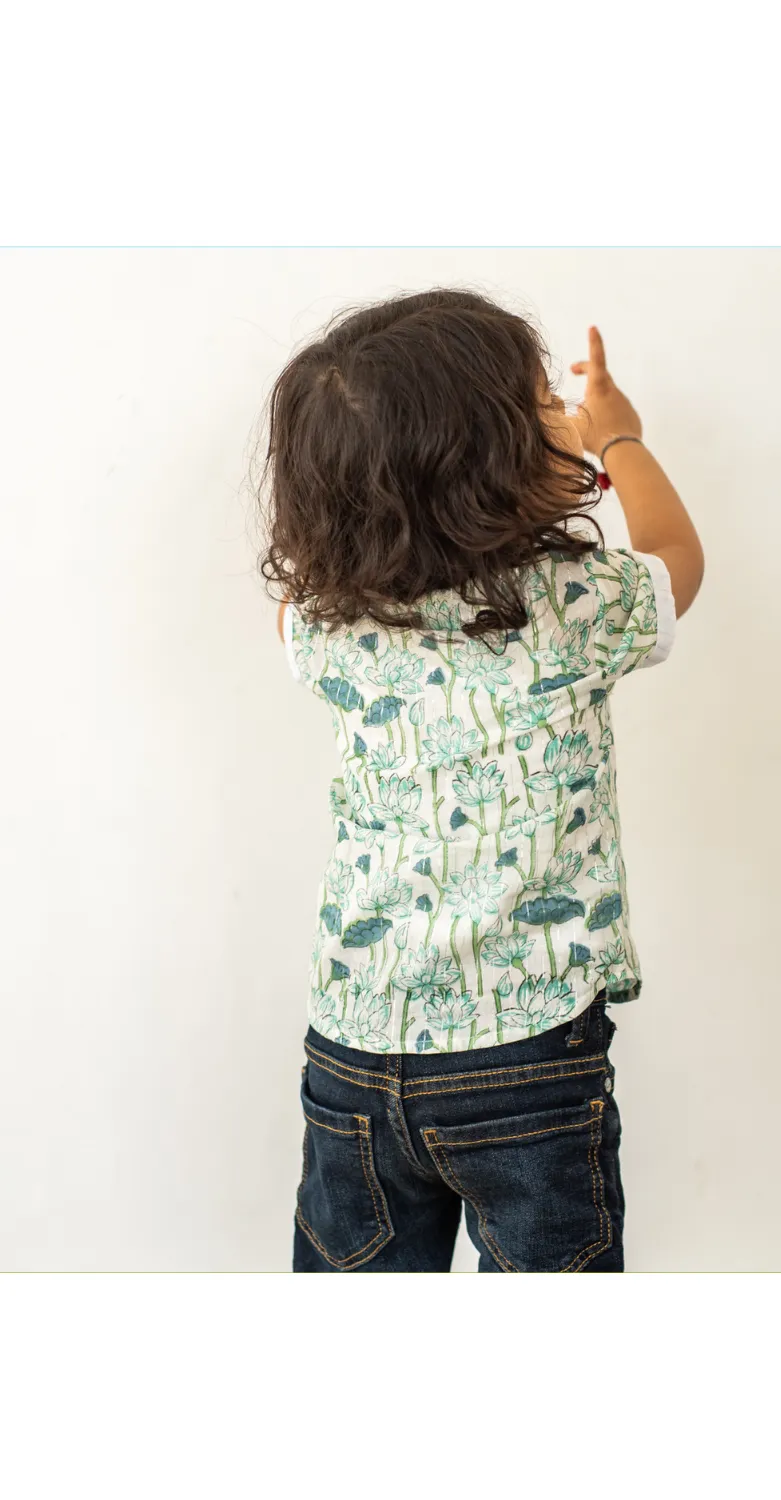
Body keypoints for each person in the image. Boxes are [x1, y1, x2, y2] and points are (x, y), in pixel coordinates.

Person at [261, 288, 705, 1271]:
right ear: (491, 468)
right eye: (542, 399)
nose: (561, 410)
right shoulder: (576, 606)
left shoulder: (334, 627)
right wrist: (620, 439)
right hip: (530, 1060)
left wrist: (355, 510)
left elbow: (294, 589)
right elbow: (678, 561)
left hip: (353, 1051)